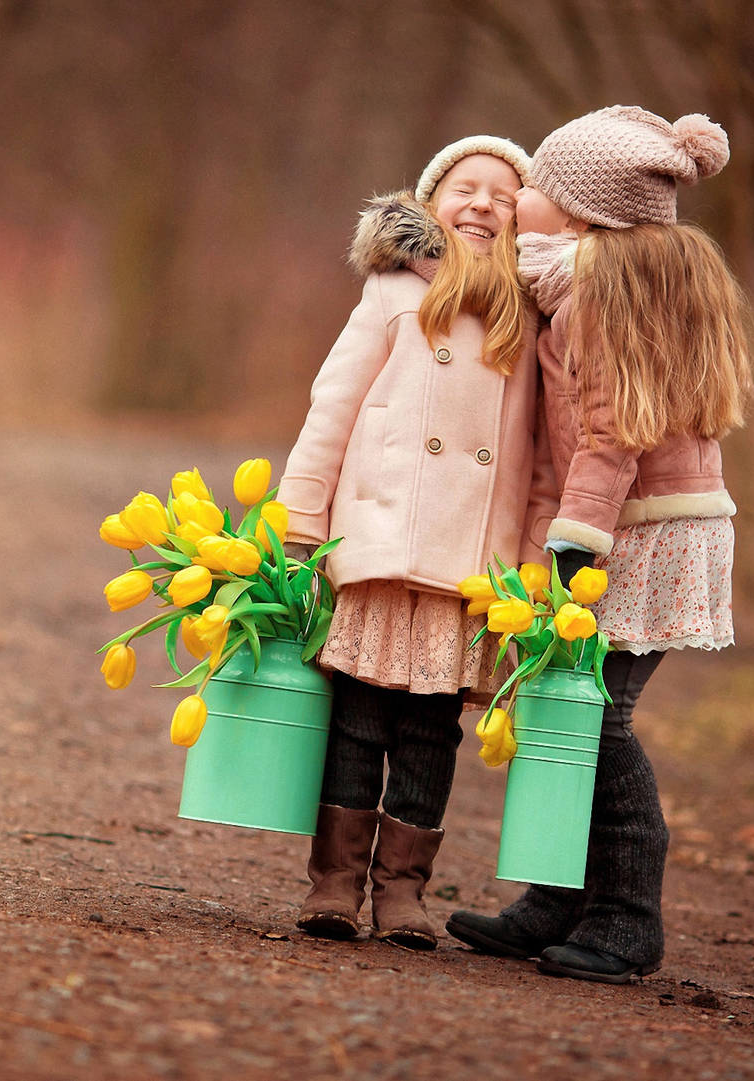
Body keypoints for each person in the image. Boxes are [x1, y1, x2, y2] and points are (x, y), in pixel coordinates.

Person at [444, 106, 754, 982]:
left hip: (636, 534)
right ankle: (559, 898)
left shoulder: (597, 294)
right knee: (565, 710)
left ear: (581, 215)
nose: (521, 196)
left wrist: (572, 544)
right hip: (633, 524)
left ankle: (627, 915)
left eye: (537, 186)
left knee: (599, 717)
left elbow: (611, 431)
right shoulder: (583, 282)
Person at [278, 135, 549, 949]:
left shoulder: (525, 317)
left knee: (431, 733)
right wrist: (302, 514)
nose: (482, 205)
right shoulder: (392, 291)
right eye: (467, 188)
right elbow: (335, 403)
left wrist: (527, 563)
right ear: (432, 204)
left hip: (463, 567)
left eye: (503, 199)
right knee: (358, 720)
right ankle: (334, 883)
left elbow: (534, 459)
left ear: (519, 223)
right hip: (380, 544)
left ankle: (403, 891)